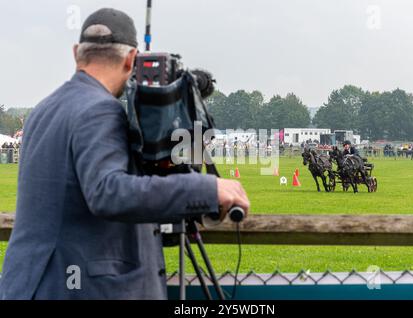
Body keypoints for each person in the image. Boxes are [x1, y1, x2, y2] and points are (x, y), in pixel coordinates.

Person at [0, 8, 249, 300]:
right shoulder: (100, 109)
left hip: (32, 284)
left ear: (76, 53)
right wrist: (207, 187)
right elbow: (108, 191)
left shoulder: (44, 109)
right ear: (131, 59)